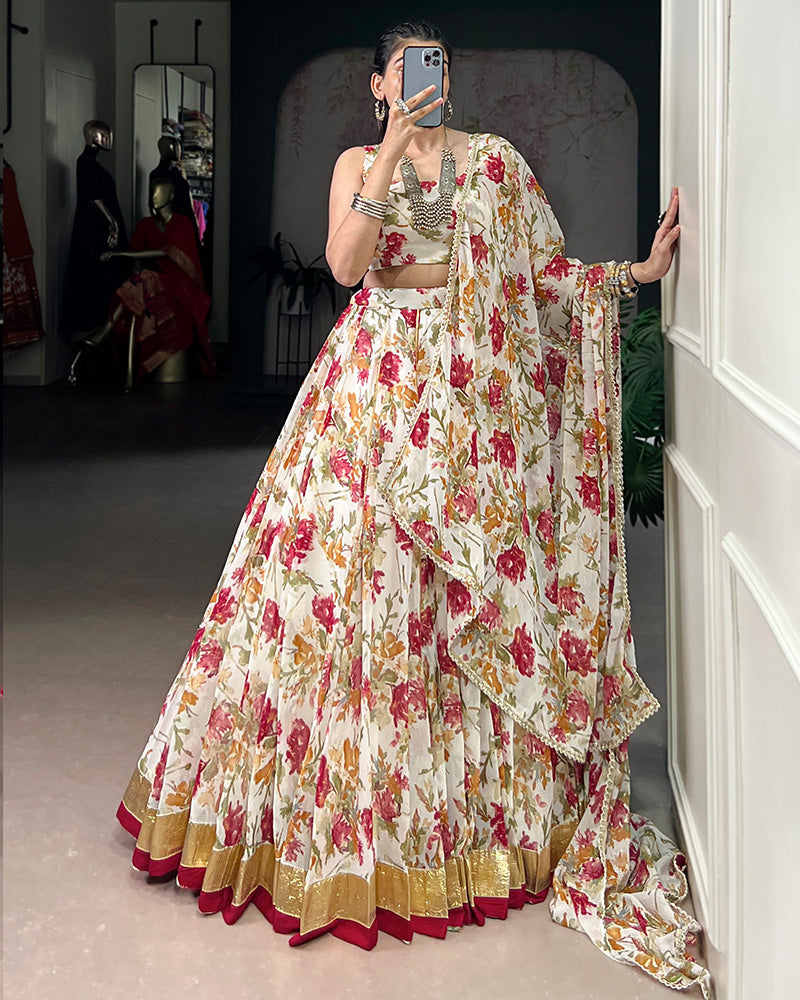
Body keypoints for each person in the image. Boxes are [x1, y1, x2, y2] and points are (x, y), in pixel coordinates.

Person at [116, 21, 711, 999]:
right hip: (372, 389)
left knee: (456, 595)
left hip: (470, 396)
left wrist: (633, 278)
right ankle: (335, 819)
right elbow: (347, 267)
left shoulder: (494, 165)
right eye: (408, 68)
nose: (427, 79)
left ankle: (466, 826)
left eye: (438, 64)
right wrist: (391, 151)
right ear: (379, 84)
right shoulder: (359, 160)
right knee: (344, 591)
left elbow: (539, 276)